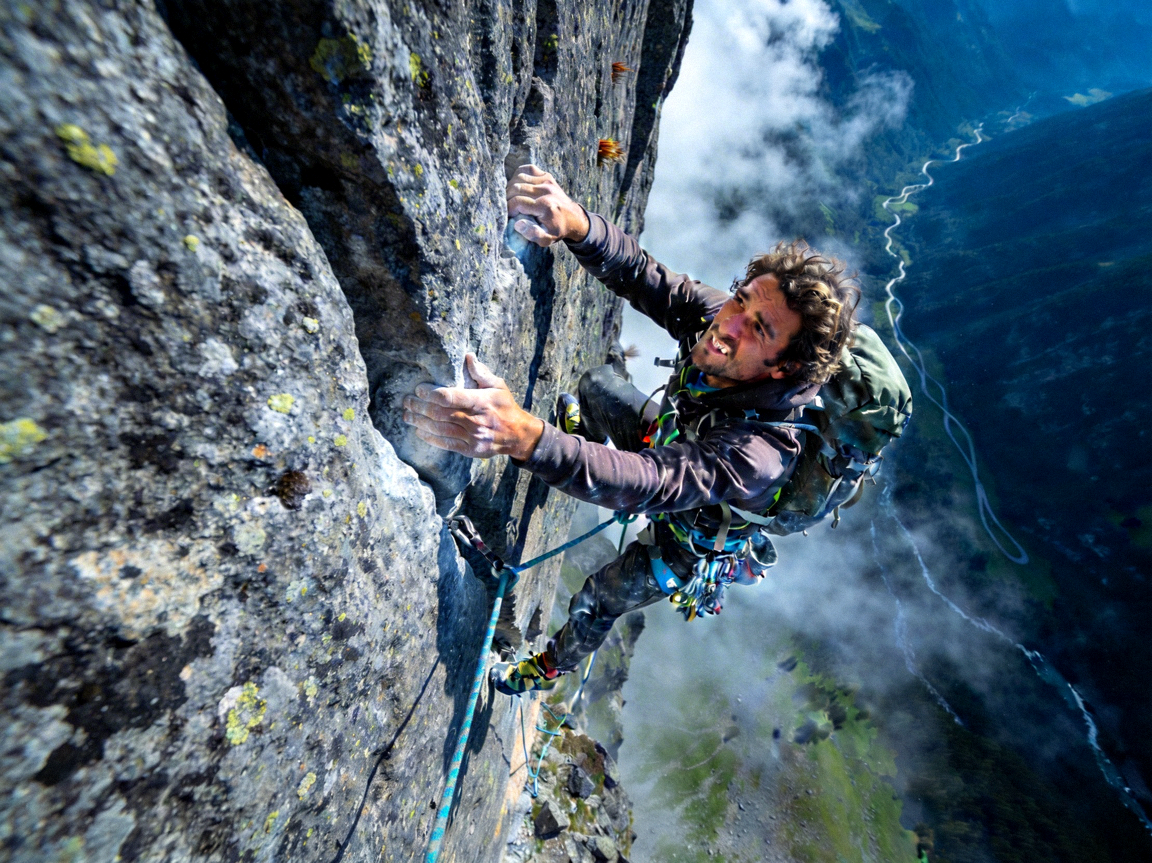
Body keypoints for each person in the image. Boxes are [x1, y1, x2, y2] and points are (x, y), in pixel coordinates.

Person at [401, 165, 860, 695]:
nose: (729, 323)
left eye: (758, 328)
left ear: (786, 367)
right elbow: (649, 279)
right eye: (742, 298)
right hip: (673, 444)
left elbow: (651, 482)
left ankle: (546, 669)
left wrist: (527, 438)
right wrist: (578, 224)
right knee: (597, 386)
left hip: (691, 533)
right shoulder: (725, 320)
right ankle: (589, 444)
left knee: (600, 597)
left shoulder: (759, 453)